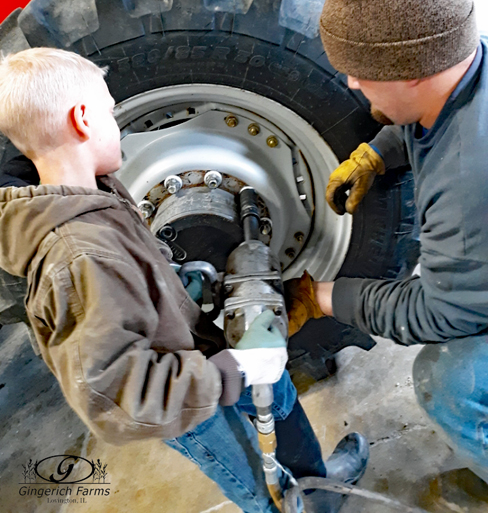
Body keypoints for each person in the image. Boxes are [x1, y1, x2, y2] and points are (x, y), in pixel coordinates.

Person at [0, 47, 368, 513]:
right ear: (82, 121)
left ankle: (318, 488)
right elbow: (117, 398)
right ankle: (291, 505)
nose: (118, 125)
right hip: (191, 408)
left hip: (201, 355)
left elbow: (125, 289)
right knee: (262, 480)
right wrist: (229, 371)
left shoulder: (94, 195)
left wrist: (173, 281)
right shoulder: (76, 257)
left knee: (277, 396)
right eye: (110, 112)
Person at [287, 0, 488, 483]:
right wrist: (377, 153)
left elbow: (445, 315)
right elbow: (426, 123)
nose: (350, 83)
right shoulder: (468, 60)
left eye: (361, 71)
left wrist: (322, 297)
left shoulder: (469, 178)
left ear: (413, 69)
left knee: (451, 381)